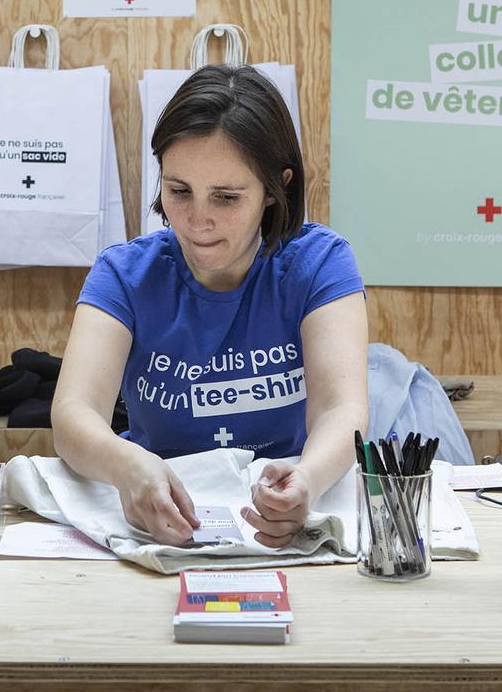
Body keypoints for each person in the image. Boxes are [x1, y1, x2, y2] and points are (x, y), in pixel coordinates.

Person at [51, 64, 368, 549]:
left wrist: (308, 478)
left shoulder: (321, 263)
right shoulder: (123, 274)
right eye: (179, 191)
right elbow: (73, 414)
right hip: (163, 518)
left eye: (226, 197)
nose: (197, 220)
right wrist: (125, 465)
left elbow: (341, 409)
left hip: (281, 512)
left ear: (275, 188)